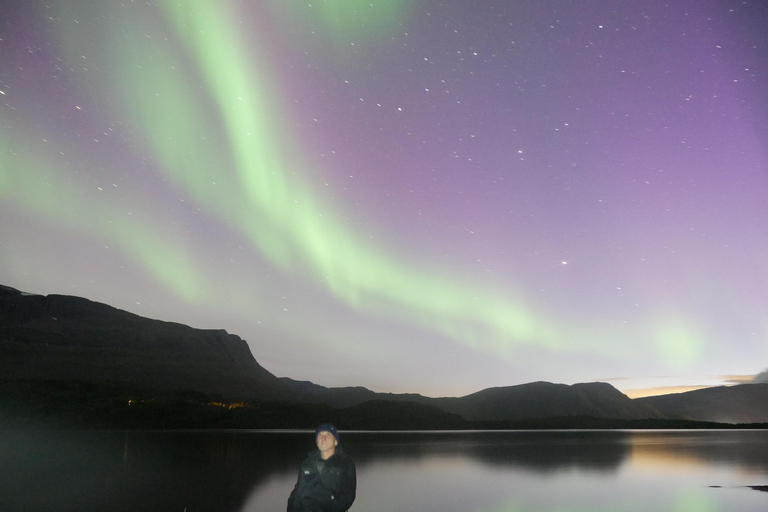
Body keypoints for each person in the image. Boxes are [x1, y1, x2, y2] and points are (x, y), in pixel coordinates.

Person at [287, 423, 357, 512]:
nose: (323, 438)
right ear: (317, 441)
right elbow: (298, 492)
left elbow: (346, 498)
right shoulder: (308, 462)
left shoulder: (345, 463)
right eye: (320, 435)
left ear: (336, 441)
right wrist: (292, 508)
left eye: (328, 435)